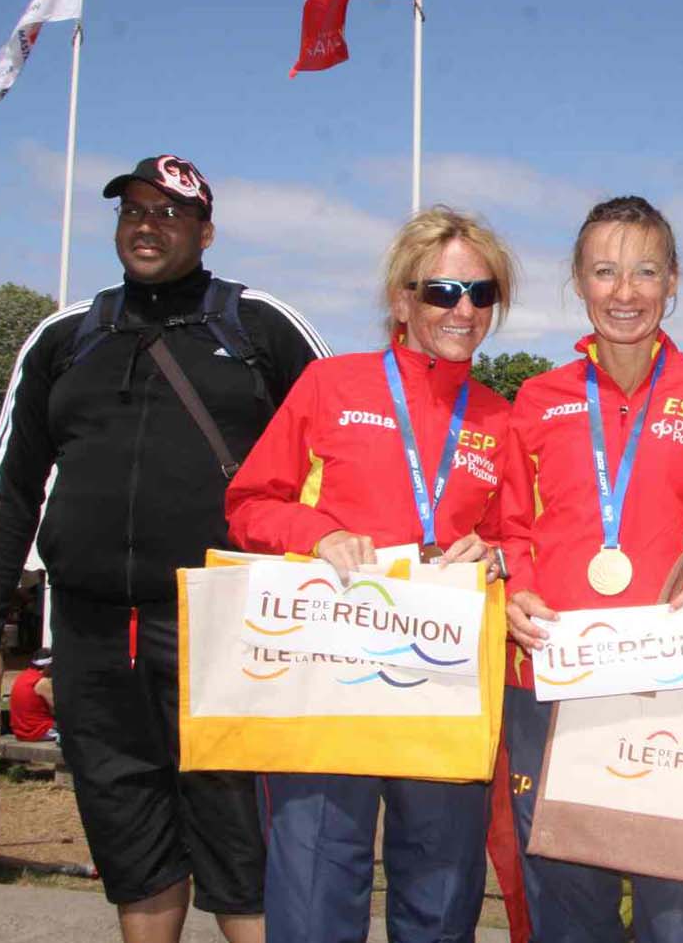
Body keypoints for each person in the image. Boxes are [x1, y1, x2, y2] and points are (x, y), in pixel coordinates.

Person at [0, 154, 328, 943]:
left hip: (226, 630)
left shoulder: (261, 326)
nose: (146, 226)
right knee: (133, 845)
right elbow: (9, 490)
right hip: (91, 635)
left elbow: (341, 463)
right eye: (132, 212)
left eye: (167, 213)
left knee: (241, 847)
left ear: (205, 230)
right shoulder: (62, 337)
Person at [225, 206, 517, 943]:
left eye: (482, 294)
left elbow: (521, 536)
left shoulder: (498, 417)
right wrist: (316, 533)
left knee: (441, 891)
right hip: (329, 672)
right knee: (317, 884)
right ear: (401, 299)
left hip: (442, 674)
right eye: (443, 290)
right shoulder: (332, 385)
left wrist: (497, 555)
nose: (463, 309)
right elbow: (250, 503)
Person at [498, 196, 683, 943]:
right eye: (605, 271)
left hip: (676, 691)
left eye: (645, 271)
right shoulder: (537, 400)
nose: (625, 292)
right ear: (578, 281)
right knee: (568, 914)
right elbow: (510, 527)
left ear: (672, 282)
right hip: (553, 682)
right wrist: (517, 585)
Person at [8, 647, 56, 742]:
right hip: (38, 731)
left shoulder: (22, 676)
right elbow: (59, 710)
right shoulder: (42, 682)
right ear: (48, 666)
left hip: (20, 732)